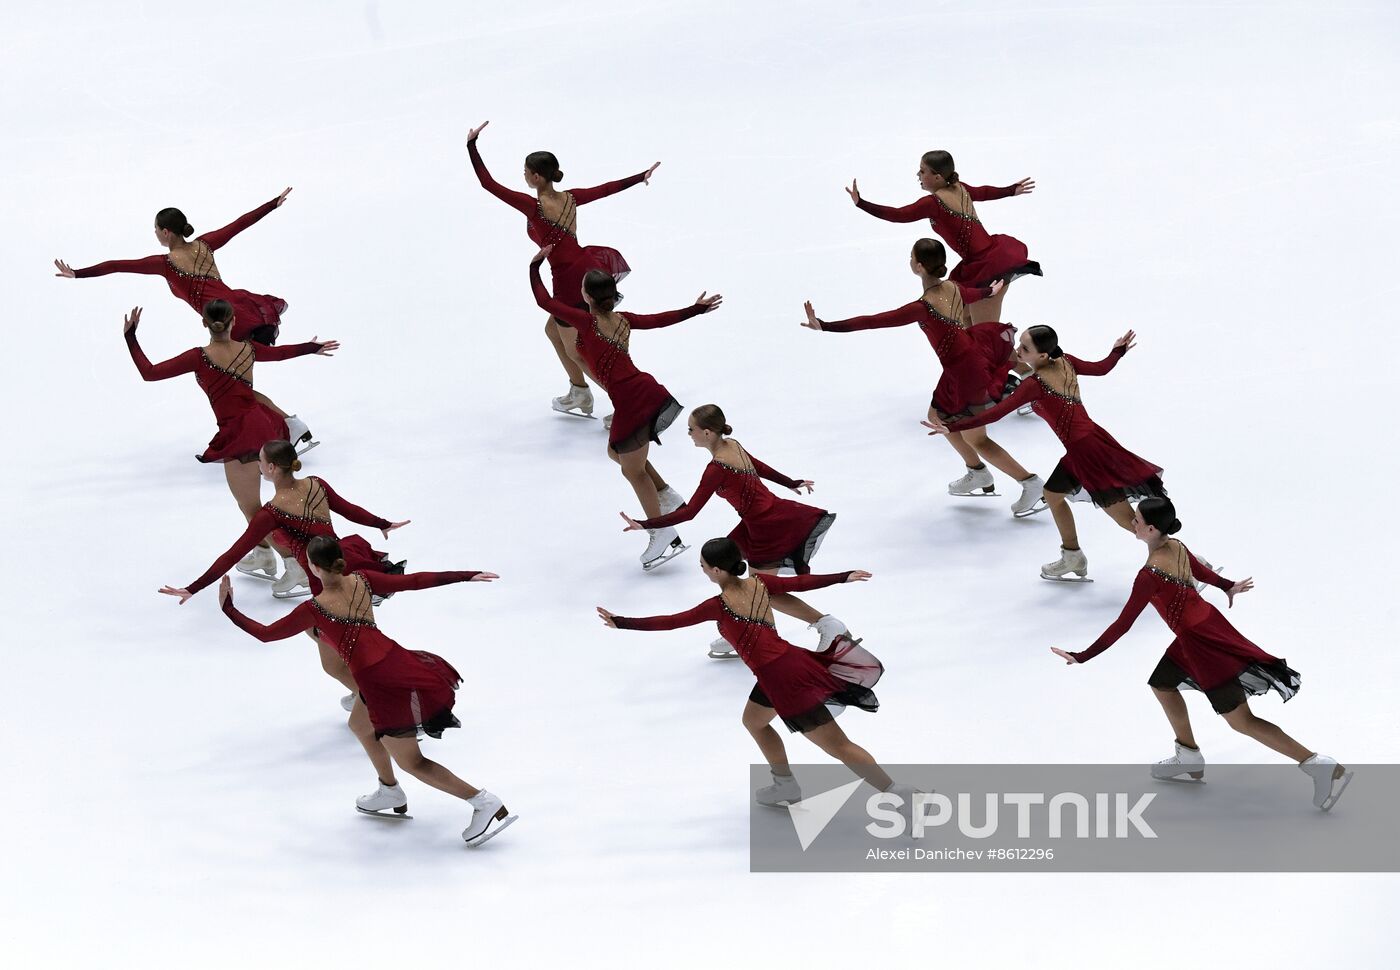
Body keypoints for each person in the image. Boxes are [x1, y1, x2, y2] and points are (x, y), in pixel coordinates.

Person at [1050, 498, 1351, 811]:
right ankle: (1189, 754)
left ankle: (1318, 765)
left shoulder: (1149, 576)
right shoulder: (1175, 546)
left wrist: (1083, 655)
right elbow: (1198, 570)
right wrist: (1227, 585)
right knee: (1162, 684)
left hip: (1201, 643)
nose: (1133, 522)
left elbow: (1123, 625)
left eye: (1137, 519)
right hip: (1202, 627)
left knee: (1242, 721)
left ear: (1151, 529)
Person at [217, 536, 516, 844]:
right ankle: (389, 790)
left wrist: (228, 608)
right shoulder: (362, 580)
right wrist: (464, 575)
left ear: (314, 568)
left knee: (413, 762)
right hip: (396, 658)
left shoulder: (316, 608)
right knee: (359, 724)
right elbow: (414, 581)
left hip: (382, 681)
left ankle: (483, 802)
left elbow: (266, 634)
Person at [600, 538, 908, 808]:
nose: (703, 570)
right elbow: (801, 584)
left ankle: (901, 797)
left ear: (718, 570)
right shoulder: (761, 583)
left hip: (784, 679)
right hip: (785, 664)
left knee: (839, 746)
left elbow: (672, 621)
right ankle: (785, 785)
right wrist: (843, 576)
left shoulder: (718, 605)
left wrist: (623, 622)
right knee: (754, 722)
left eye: (704, 566)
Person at [56, 188, 314, 447]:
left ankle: (282, 429)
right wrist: (271, 205)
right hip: (242, 309)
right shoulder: (204, 245)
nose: (155, 233)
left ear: (166, 232)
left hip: (229, 321)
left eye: (156, 229)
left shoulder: (165, 264)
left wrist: (78, 274)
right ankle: (285, 426)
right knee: (240, 389)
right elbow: (238, 225)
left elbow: (117, 265)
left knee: (238, 391)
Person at [803, 238, 1043, 515]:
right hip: (962, 365)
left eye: (911, 257)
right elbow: (976, 294)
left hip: (967, 372)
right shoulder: (953, 288)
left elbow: (874, 321)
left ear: (918, 266)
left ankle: (1030, 483)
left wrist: (826, 326)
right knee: (937, 416)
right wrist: (991, 289)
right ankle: (976, 472)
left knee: (977, 438)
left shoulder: (924, 306)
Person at [529, 246, 722, 570]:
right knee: (616, 454)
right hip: (640, 391)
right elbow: (659, 320)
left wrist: (535, 268)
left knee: (631, 468)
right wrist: (694, 310)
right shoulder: (622, 320)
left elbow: (544, 302)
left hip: (633, 399)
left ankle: (662, 533)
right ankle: (665, 495)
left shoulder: (584, 322)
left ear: (586, 296)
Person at [925, 325, 1163, 581]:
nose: (1018, 350)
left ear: (1042, 356)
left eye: (1025, 348)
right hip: (1089, 442)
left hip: (1088, 453)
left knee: (1129, 522)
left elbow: (995, 413)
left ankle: (1183, 562)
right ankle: (1072, 556)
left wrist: (953, 426)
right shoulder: (1066, 361)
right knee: (1052, 495)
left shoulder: (1035, 385)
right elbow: (1101, 368)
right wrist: (1117, 352)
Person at [621, 405, 850, 659]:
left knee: (764, 591)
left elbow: (690, 512)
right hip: (761, 518)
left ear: (707, 433)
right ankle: (743, 625)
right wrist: (790, 482)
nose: (688, 434)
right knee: (725, 563)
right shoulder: (732, 445)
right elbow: (757, 466)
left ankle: (826, 624)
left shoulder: (717, 469)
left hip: (768, 525)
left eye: (691, 429)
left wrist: (647, 523)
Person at [468, 121, 659, 417]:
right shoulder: (570, 198)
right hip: (585, 266)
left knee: (578, 351)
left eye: (525, 171)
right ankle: (579, 391)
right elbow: (605, 189)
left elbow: (488, 185)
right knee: (553, 331)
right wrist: (639, 177)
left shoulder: (534, 207)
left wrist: (472, 146)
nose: (522, 176)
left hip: (568, 281)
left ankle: (625, 402)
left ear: (535, 176)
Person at [123, 303, 337, 537]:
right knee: (249, 507)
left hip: (240, 435)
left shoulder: (198, 357)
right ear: (233, 321)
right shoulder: (248, 349)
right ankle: (265, 553)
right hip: (263, 423)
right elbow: (281, 353)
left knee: (253, 511)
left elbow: (150, 373)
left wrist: (130, 337)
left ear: (205, 323)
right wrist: (310, 347)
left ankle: (291, 561)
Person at [846, 150, 1039, 329]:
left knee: (985, 340)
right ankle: (1020, 364)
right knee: (964, 322)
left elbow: (900, 215)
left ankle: (1030, 363)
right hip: (985, 260)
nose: (918, 175)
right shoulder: (959, 188)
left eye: (922, 171)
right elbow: (984, 192)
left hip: (987, 269)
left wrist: (861, 204)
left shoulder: (934, 203)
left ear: (937, 177)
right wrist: (1010, 190)